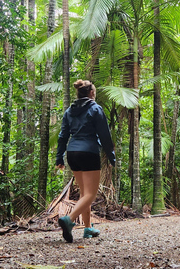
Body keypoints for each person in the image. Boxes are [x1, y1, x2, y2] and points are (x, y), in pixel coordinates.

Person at [56, 79, 116, 243]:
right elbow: (105, 135)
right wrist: (111, 157)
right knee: (91, 194)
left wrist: (59, 157)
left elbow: (63, 136)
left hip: (72, 153)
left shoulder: (69, 110)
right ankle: (69, 220)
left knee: (84, 193)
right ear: (91, 94)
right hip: (88, 152)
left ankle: (88, 228)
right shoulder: (96, 109)